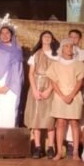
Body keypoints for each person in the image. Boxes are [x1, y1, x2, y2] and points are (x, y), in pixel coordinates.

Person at [47, 38, 84, 160]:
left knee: (74, 123)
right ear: (62, 49)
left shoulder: (78, 64)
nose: (69, 48)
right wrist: (62, 95)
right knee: (60, 123)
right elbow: (53, 82)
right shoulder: (55, 64)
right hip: (60, 96)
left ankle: (75, 152)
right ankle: (59, 152)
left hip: (74, 96)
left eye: (71, 46)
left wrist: (71, 95)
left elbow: (80, 81)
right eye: (66, 46)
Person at [24, 31, 57, 159]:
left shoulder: (56, 55)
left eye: (49, 36)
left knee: (50, 119)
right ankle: (38, 147)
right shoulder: (35, 55)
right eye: (44, 36)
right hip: (37, 86)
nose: (47, 38)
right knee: (36, 118)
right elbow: (31, 73)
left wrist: (49, 90)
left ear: (52, 39)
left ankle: (50, 147)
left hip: (51, 86)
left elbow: (57, 75)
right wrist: (34, 90)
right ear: (41, 39)